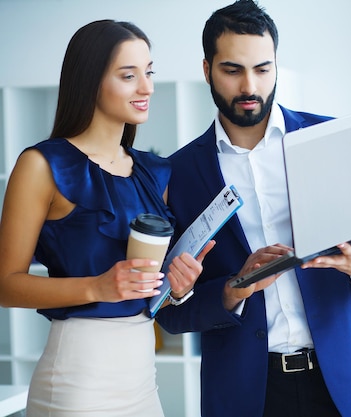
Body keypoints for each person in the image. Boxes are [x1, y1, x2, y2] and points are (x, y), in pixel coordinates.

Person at [156, 1, 351, 416]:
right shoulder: (178, 175)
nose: (250, 87)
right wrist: (232, 288)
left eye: (263, 69)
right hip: (250, 394)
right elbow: (170, 313)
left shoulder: (331, 139)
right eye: (232, 70)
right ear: (206, 70)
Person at [0, 20, 212, 417]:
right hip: (77, 379)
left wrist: (176, 286)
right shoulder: (41, 166)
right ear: (90, 81)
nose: (146, 88)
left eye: (149, 73)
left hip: (143, 379)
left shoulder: (155, 172)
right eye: (128, 76)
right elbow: (5, 285)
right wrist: (97, 287)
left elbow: (151, 288)